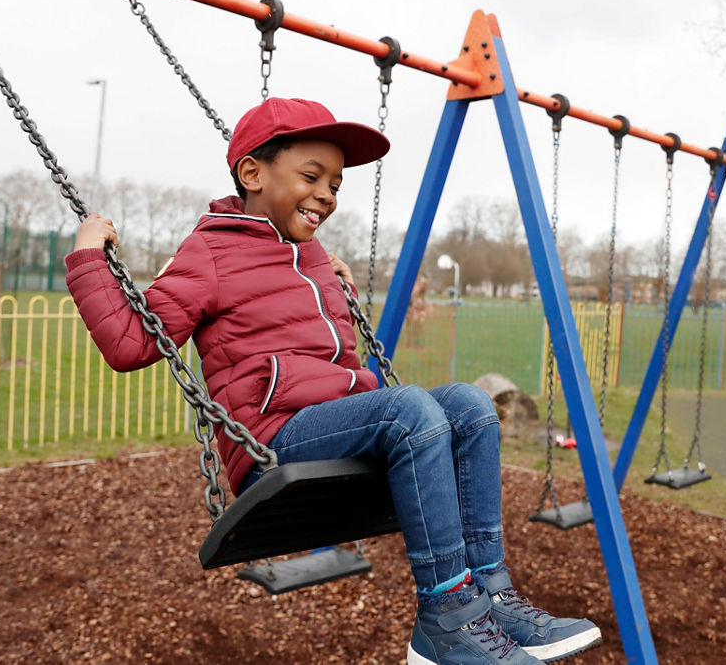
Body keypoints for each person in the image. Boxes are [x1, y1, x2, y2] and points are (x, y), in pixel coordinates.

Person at [66, 97, 602, 664]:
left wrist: (329, 284)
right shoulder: (212, 251)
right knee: (409, 409)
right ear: (252, 173)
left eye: (336, 184)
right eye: (312, 176)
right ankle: (446, 616)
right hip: (274, 439)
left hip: (340, 419)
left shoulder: (312, 255)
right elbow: (131, 342)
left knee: (470, 405)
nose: (327, 193)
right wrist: (87, 258)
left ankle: (490, 596)